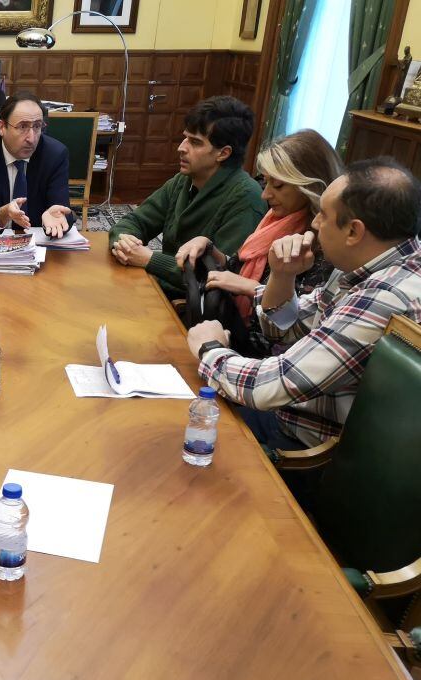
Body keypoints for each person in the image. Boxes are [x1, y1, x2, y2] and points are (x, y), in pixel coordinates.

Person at [187, 158, 421, 451]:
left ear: (354, 232)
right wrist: (283, 275)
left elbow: (269, 386)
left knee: (186, 412)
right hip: (289, 415)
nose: (314, 222)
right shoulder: (366, 265)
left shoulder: (385, 294)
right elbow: (286, 330)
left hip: (307, 448)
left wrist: (210, 348)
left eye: (323, 214)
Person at [174, 129, 343, 357]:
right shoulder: (276, 221)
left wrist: (246, 286)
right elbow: (241, 266)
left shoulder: (327, 245)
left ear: (309, 187)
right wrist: (212, 249)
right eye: (266, 183)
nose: (265, 195)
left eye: (279, 186)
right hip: (236, 338)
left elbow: (298, 323)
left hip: (261, 355)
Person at [109, 95, 266, 298]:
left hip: (193, 312)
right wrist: (124, 241)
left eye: (195, 142)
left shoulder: (247, 198)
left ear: (223, 153)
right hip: (158, 288)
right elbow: (134, 221)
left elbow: (219, 277)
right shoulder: (183, 181)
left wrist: (149, 259)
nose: (181, 148)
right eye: (185, 138)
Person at [0, 90, 75, 236]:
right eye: (22, 127)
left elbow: (63, 212)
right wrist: (2, 214)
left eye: (37, 126)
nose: (32, 138)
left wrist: (57, 218)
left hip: (38, 247)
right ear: (2, 127)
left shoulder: (55, 155)